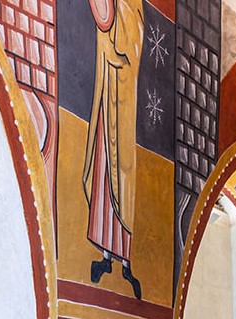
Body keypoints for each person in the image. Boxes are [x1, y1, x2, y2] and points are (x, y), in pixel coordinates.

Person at [83, 0, 144, 300]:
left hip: (121, 93)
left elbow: (129, 41)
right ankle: (106, 255)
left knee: (120, 174)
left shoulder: (133, 6)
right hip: (106, 85)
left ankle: (124, 261)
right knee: (103, 170)